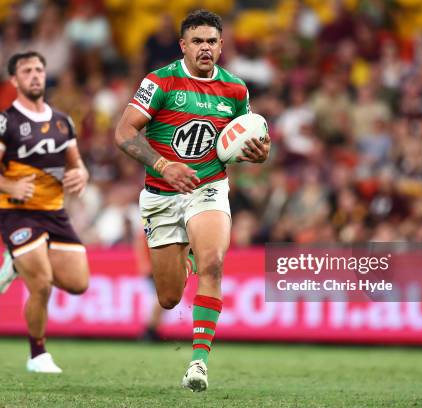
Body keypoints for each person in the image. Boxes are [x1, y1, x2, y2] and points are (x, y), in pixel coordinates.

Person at [115, 10, 270, 391]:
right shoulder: (160, 81)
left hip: (208, 187)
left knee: (213, 264)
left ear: (221, 45)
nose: (206, 48)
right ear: (183, 45)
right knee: (168, 298)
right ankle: (182, 259)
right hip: (162, 194)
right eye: (197, 41)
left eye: (212, 41)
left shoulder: (235, 90)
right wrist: (163, 165)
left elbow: (245, 140)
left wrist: (259, 153)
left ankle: (198, 362)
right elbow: (123, 133)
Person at [0, 51, 90, 374]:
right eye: (27, 71)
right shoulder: (4, 123)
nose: (35, 75)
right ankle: (37, 354)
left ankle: (16, 261)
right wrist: (9, 188)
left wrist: (81, 174)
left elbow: (76, 164)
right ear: (15, 80)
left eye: (39, 69)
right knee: (42, 285)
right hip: (19, 213)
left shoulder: (63, 121)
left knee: (79, 283)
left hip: (55, 213)